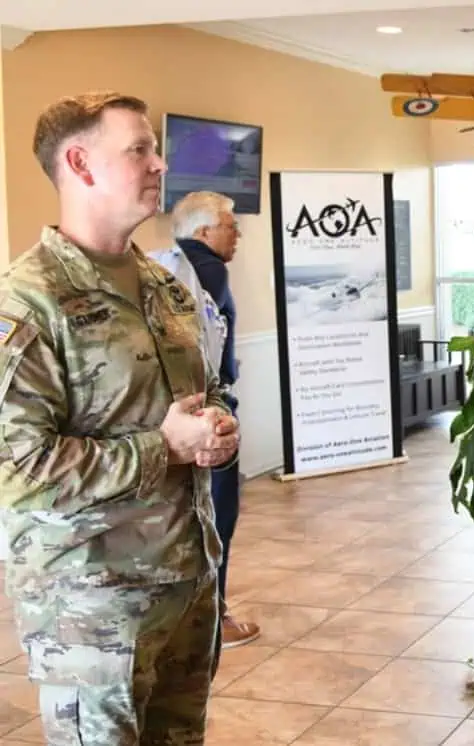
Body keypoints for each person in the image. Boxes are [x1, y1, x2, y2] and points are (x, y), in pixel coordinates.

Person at [0, 91, 239, 744]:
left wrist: (215, 428)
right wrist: (163, 448)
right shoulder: (28, 300)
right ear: (79, 163)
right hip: (92, 613)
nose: (160, 163)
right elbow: (14, 469)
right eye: (139, 149)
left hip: (185, 583)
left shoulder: (162, 285)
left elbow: (200, 394)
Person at [154, 190, 261, 649]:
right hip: (207, 410)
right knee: (218, 515)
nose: (237, 234)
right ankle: (215, 620)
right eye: (230, 226)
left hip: (181, 411)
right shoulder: (207, 269)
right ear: (203, 232)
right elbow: (203, 348)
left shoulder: (164, 264)